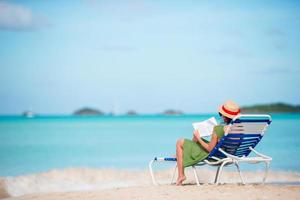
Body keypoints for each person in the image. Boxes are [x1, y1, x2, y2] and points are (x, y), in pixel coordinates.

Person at [175, 100, 241, 185]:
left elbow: (210, 149)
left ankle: (181, 175)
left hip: (216, 156)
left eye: (221, 114)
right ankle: (182, 154)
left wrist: (199, 138)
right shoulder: (240, 129)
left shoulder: (219, 129)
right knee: (194, 140)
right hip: (229, 155)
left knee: (180, 142)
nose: (221, 116)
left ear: (225, 116)